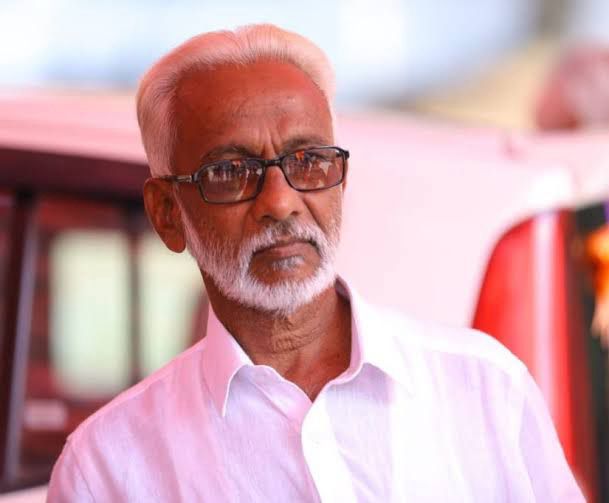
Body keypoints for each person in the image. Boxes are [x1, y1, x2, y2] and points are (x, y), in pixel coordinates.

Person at [48, 24, 583, 502]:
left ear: (340, 182)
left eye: (308, 161)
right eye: (231, 172)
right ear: (167, 214)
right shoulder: (108, 468)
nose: (281, 202)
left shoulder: (485, 388)